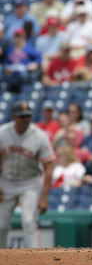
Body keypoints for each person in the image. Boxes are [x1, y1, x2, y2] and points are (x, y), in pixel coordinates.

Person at [0, 102, 55, 248]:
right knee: (1, 225)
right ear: (13, 117)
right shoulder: (2, 133)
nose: (26, 119)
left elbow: (49, 166)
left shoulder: (39, 136)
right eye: (22, 116)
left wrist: (44, 197)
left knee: (28, 221)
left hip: (30, 183)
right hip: (6, 182)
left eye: (28, 116)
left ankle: (34, 260)